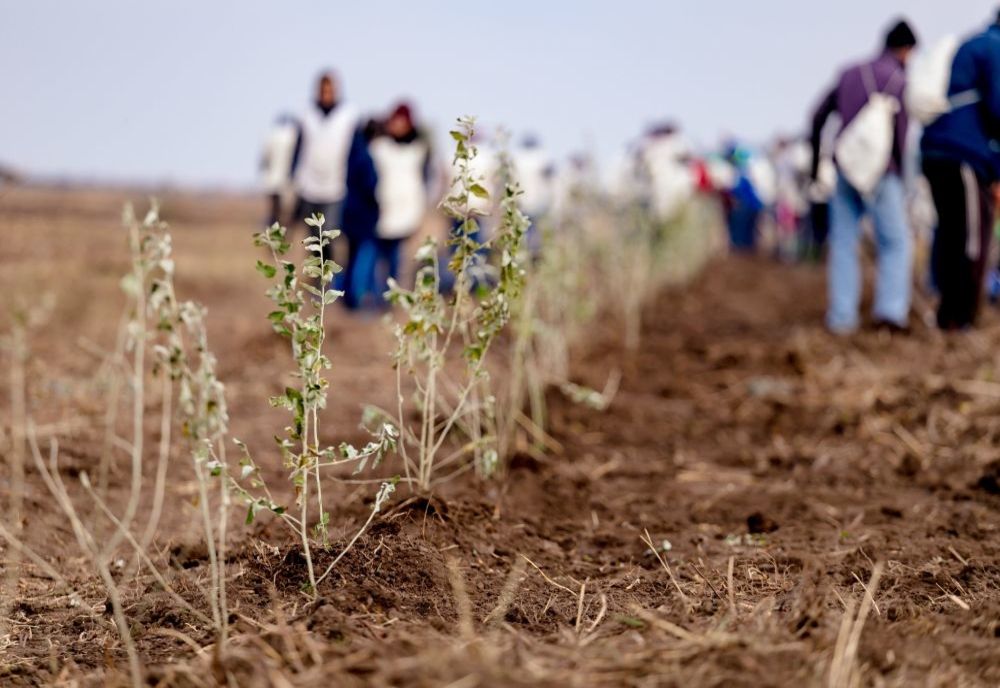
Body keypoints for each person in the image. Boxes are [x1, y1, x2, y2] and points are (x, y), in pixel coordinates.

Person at [810, 20, 918, 334]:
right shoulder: (898, 81)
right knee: (895, 242)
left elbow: (817, 117)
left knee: (844, 241)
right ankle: (890, 312)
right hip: (883, 174)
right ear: (906, 49)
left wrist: (817, 166)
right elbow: (900, 137)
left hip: (845, 168)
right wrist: (897, 172)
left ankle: (842, 318)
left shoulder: (849, 73)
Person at [921, 11, 1000, 330]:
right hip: (962, 153)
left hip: (937, 149)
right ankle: (960, 317)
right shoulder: (994, 47)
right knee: (971, 238)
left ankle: (948, 313)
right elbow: (998, 109)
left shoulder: (970, 44)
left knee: (952, 233)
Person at [290, 71, 363, 269]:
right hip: (309, 185)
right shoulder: (306, 114)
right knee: (314, 237)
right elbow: (298, 147)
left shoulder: (349, 116)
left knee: (329, 233)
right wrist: (292, 175)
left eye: (330, 90)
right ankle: (318, 276)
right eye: (323, 90)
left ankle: (330, 274)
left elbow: (356, 151)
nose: (326, 94)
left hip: (336, 185)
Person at [363, 103, 432, 301]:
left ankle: (391, 297)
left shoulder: (418, 149)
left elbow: (422, 180)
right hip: (381, 209)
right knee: (375, 257)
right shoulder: (379, 147)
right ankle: (373, 297)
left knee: (395, 257)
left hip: (406, 211)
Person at [259, 114, 299, 227]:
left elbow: (264, 160)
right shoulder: (294, 137)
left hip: (272, 181)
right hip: (289, 183)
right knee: (287, 215)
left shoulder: (270, 137)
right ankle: (284, 237)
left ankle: (274, 237)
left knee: (274, 213)